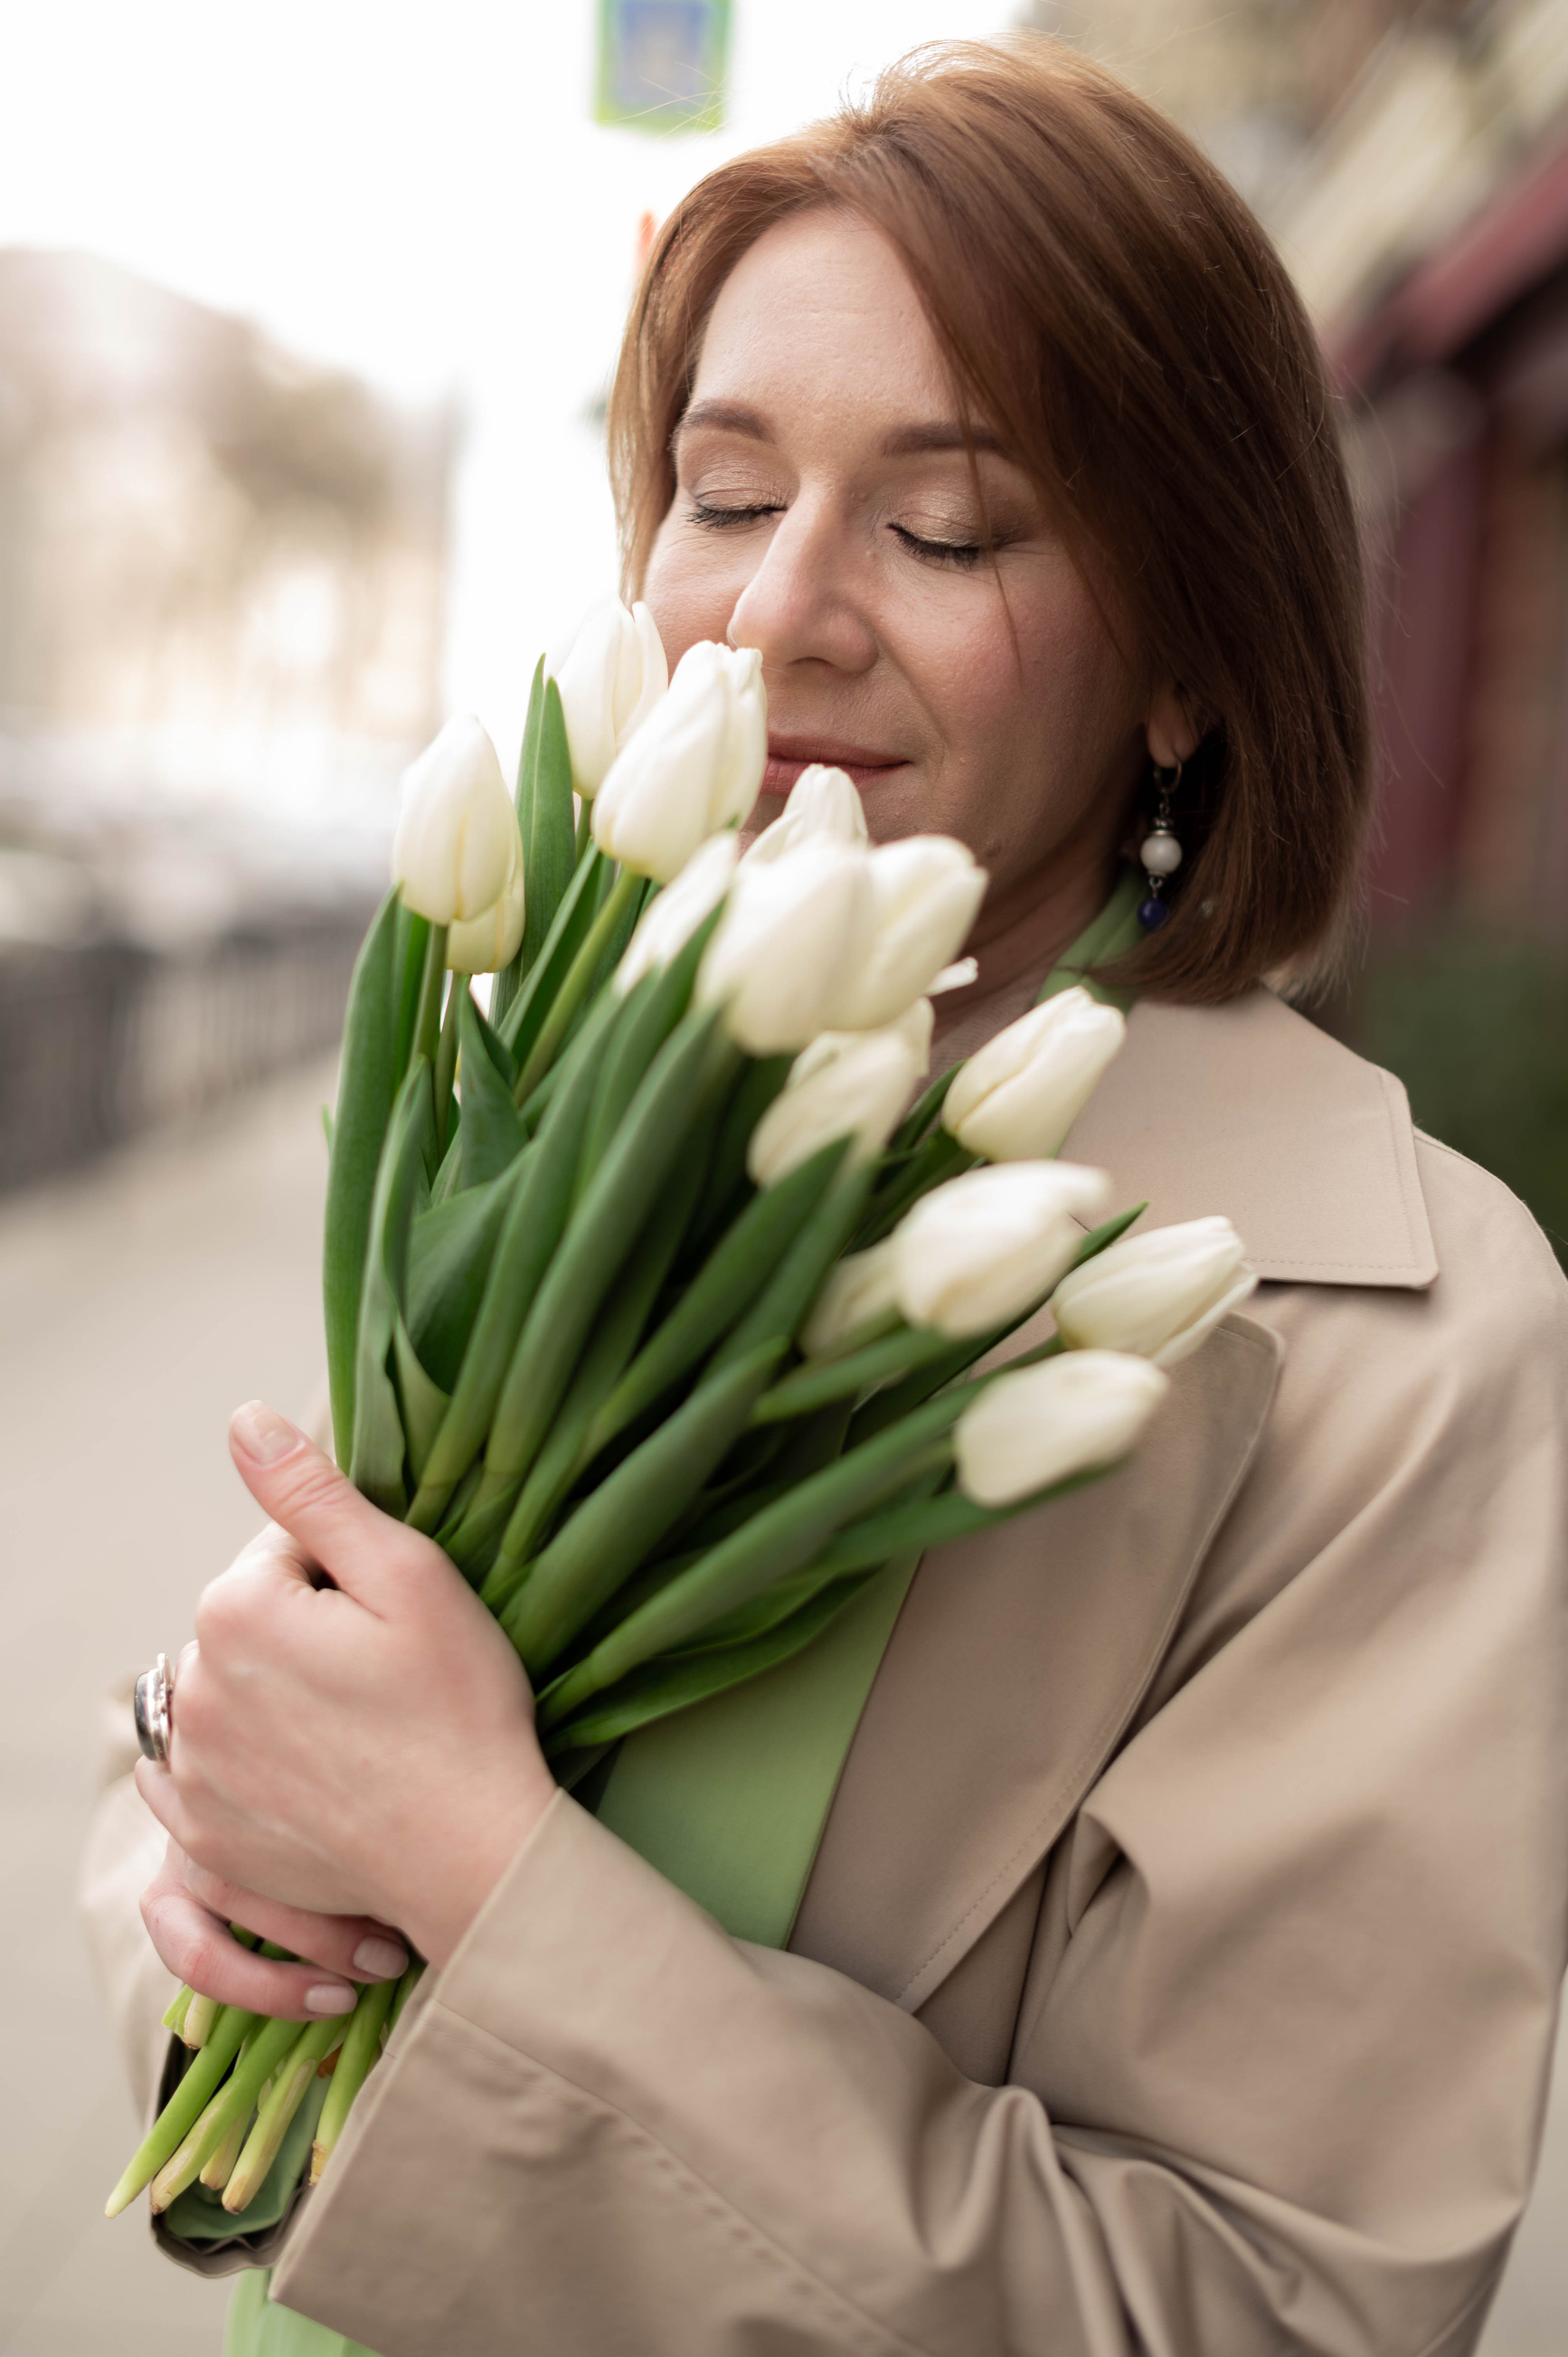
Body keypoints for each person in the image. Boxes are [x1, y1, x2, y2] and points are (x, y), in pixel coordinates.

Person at [82, 39, 1568, 2357]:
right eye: (720, 492)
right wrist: (206, 1816)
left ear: (1190, 653)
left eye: (948, 523)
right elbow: (257, 1765)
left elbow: (1276, 2310)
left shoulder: (1409, 1334)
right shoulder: (578, 1088)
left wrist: (481, 1880)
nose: (777, 617)